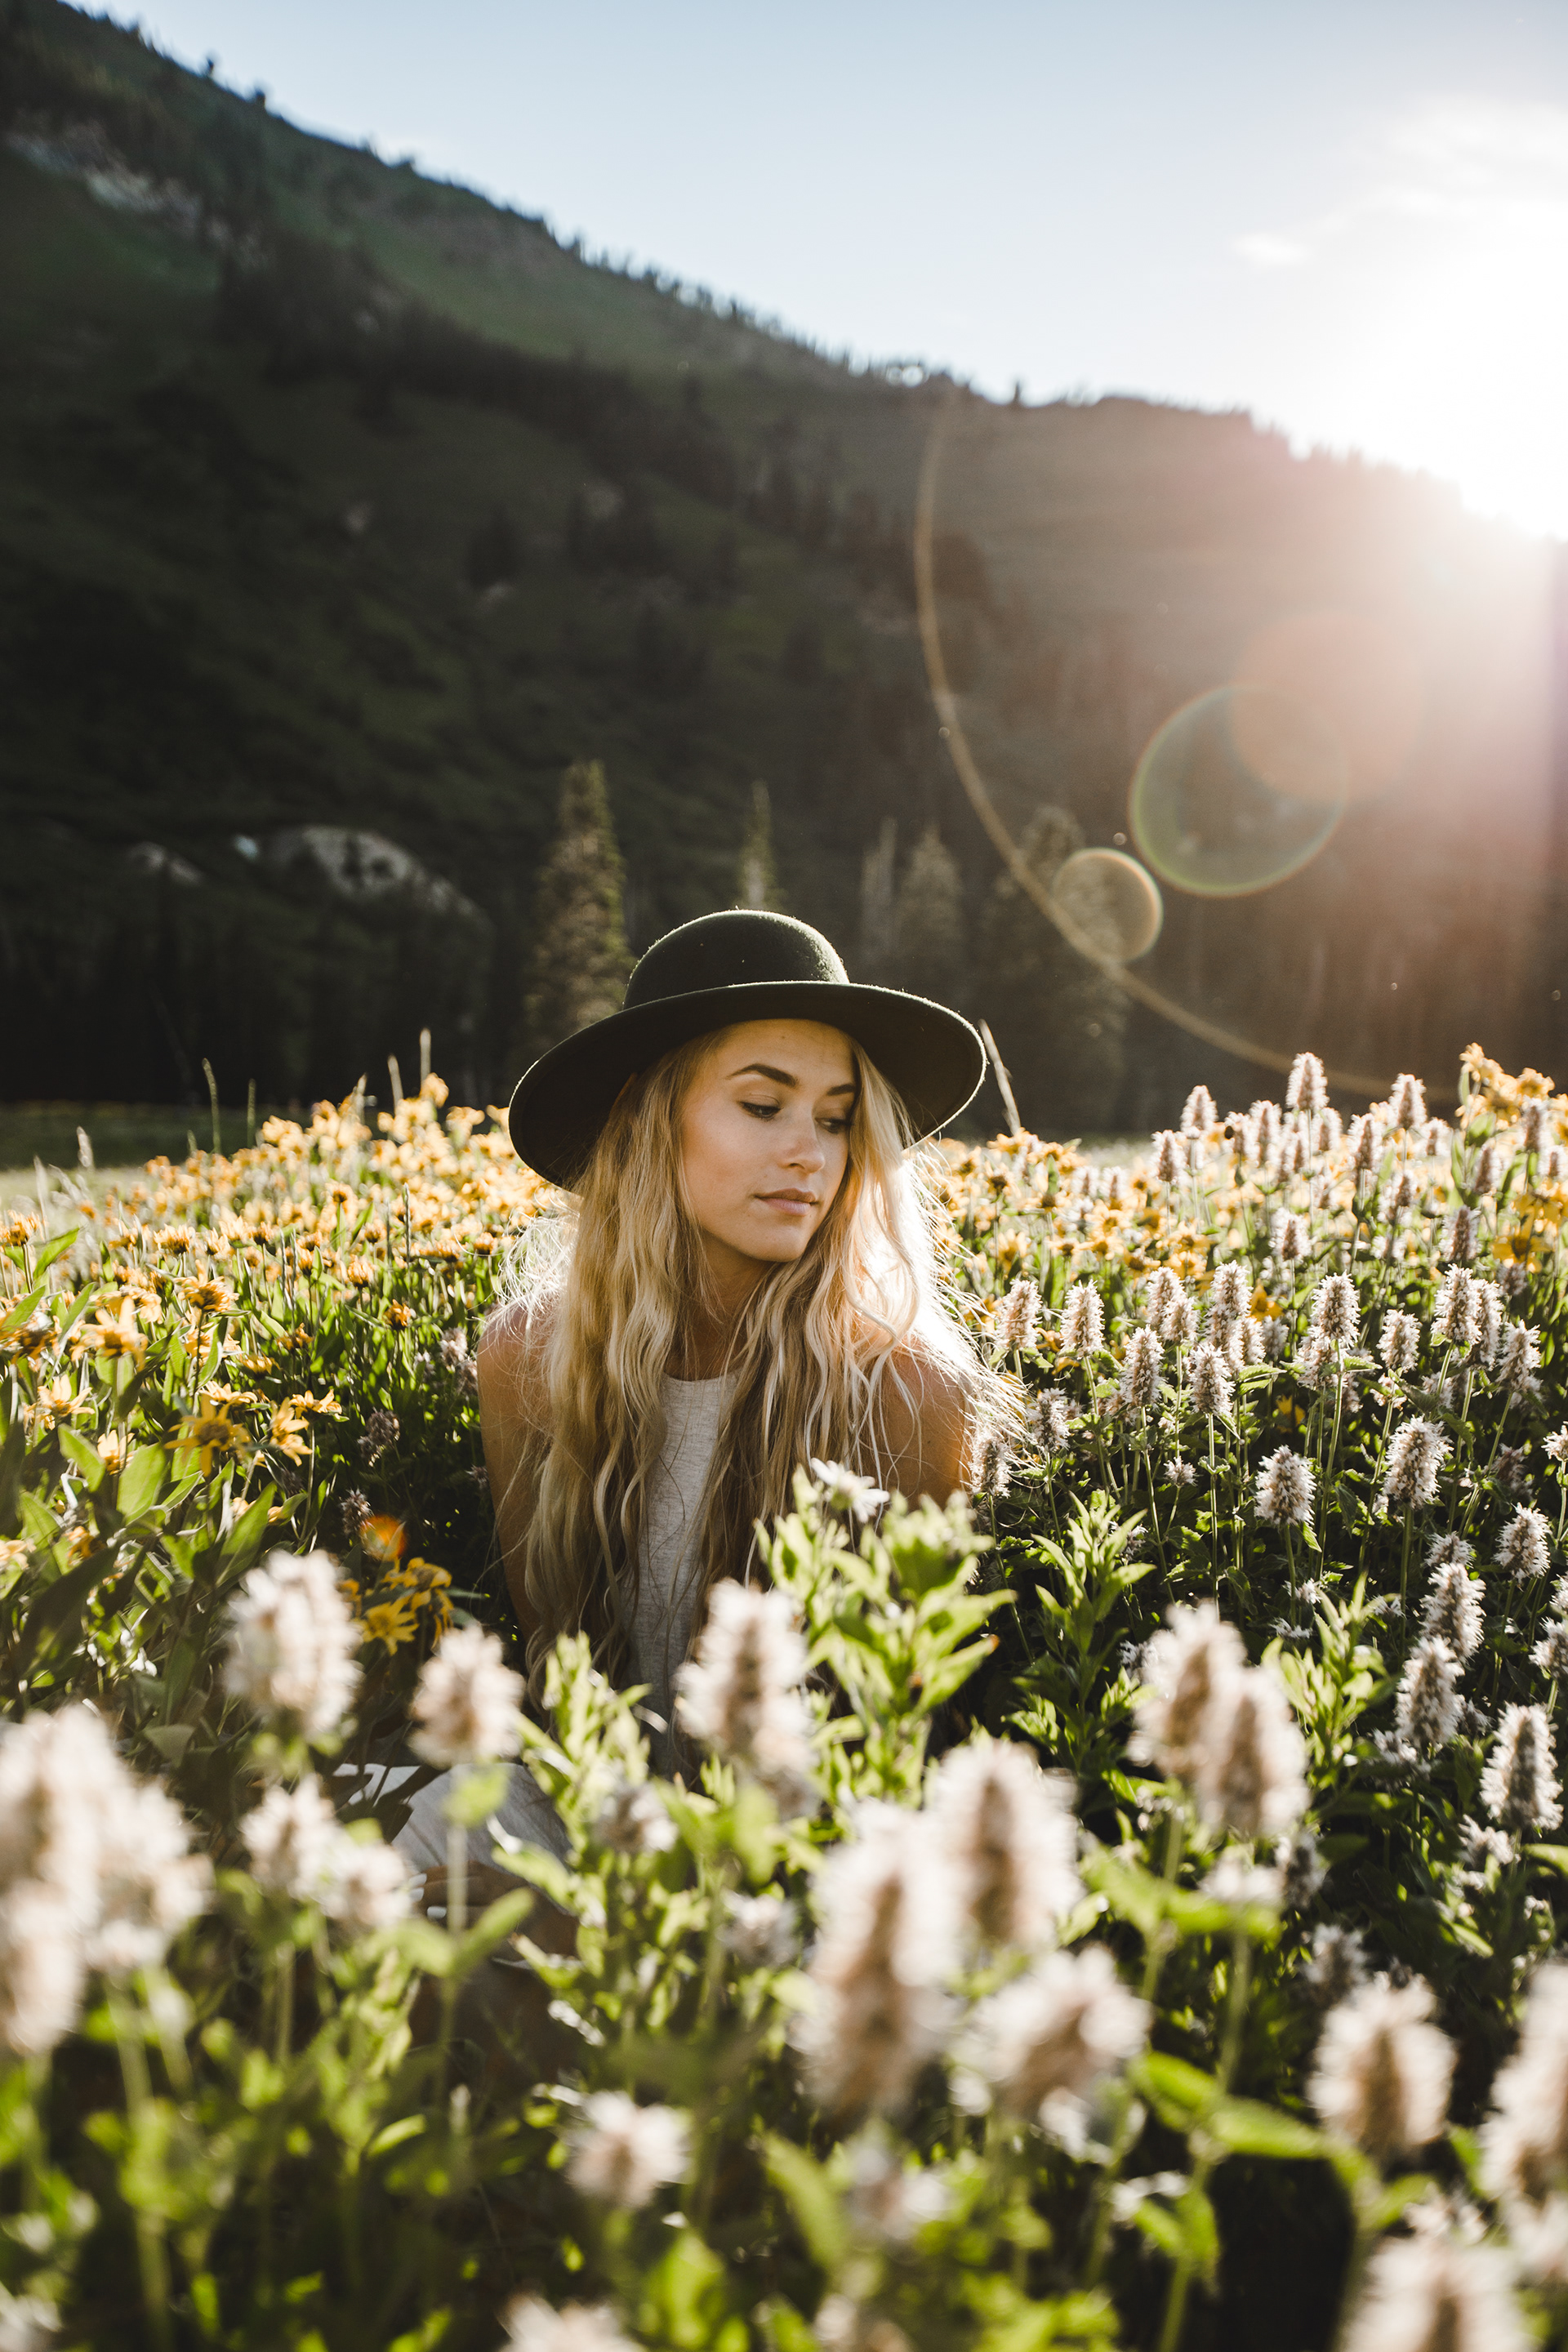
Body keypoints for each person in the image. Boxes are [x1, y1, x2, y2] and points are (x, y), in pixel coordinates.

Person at [394, 907, 1015, 1876]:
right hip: (588, 1817)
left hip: (803, 1863)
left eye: (837, 1117)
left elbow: (890, 1746)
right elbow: (560, 1681)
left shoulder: (905, 1393)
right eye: (763, 1106)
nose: (810, 1152)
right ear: (648, 1114)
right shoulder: (529, 1359)